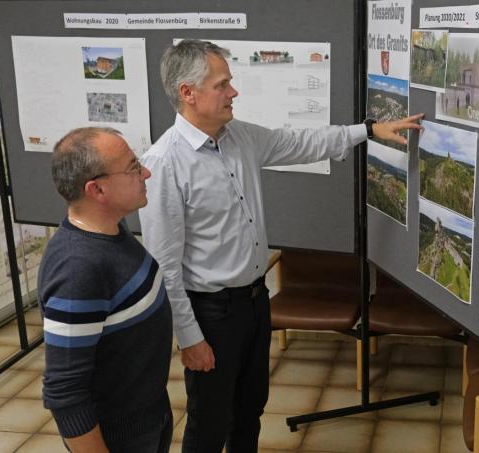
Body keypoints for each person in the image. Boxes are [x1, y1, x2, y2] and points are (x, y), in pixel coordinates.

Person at [138, 39, 423, 453]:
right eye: (222, 84)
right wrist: (190, 337)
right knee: (210, 420)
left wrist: (370, 130)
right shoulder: (164, 163)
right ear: (188, 93)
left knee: (250, 410)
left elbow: (302, 142)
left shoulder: (240, 137)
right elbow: (165, 266)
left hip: (255, 303)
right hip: (212, 314)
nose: (233, 92)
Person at [38, 127, 173, 453]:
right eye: (131, 168)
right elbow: (65, 394)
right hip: (121, 438)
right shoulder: (78, 270)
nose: (146, 172)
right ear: (97, 189)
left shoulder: (111, 231)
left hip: (149, 416)